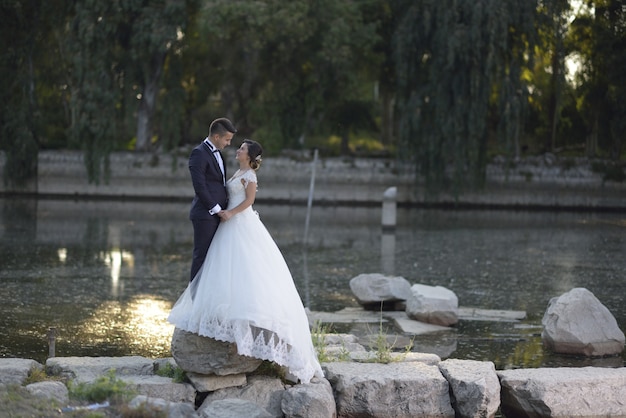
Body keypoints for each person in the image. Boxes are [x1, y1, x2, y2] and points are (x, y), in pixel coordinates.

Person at [168, 139, 324, 384]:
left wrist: (230, 212)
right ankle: (224, 309)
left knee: (246, 267)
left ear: (249, 156)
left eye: (241, 148)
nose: (237, 149)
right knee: (223, 266)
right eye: (238, 146)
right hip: (227, 224)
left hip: (240, 222)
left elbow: (249, 201)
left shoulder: (249, 175)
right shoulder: (239, 171)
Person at [188, 117, 237, 281]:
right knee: (202, 258)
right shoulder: (199, 154)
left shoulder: (219, 155)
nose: (229, 143)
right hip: (205, 215)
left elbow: (219, 184)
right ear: (217, 137)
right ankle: (196, 301)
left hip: (219, 215)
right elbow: (200, 187)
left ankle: (210, 300)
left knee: (216, 259)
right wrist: (217, 210)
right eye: (227, 139)